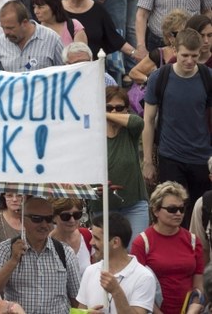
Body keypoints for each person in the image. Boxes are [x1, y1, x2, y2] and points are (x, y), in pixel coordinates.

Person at [142, 28, 212, 216]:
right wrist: (148, 161)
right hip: (170, 157)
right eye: (185, 55)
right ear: (175, 51)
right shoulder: (159, 78)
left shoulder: (207, 77)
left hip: (201, 157)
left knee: (200, 214)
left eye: (194, 56)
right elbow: (147, 121)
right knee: (172, 212)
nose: (190, 61)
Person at [0, 197, 80, 314]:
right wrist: (13, 261)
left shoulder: (65, 252)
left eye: (48, 219)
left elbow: (76, 299)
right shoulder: (5, 249)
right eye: (36, 219)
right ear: (22, 219)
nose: (44, 225)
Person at [131, 181, 204, 314]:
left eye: (182, 209)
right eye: (172, 209)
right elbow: (136, 288)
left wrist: (194, 307)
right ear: (156, 210)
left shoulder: (193, 241)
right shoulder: (142, 243)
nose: (178, 213)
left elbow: (198, 285)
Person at [95, 87, 149, 243]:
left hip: (134, 204)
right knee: (107, 255)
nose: (114, 111)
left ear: (127, 109)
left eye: (119, 108)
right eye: (108, 107)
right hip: (102, 205)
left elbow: (138, 121)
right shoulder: (92, 131)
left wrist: (101, 114)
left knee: (135, 253)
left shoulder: (130, 130)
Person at [76, 213, 156, 313]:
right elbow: (79, 310)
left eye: (96, 238)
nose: (91, 242)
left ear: (115, 242)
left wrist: (116, 291)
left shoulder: (144, 277)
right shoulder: (90, 271)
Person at [61, 0, 137, 62]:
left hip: (94, 65)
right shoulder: (57, 10)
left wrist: (135, 53)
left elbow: (114, 38)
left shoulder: (97, 9)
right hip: (63, 66)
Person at [0, 0, 64, 71]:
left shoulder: (52, 40)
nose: (6, 32)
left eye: (10, 28)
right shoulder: (1, 43)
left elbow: (65, 74)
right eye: (3, 27)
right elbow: (0, 77)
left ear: (24, 23)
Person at [128, 9, 189, 85]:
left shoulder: (194, 53)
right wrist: (150, 81)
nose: (183, 37)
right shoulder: (159, 54)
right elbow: (133, 73)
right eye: (178, 34)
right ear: (168, 36)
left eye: (186, 32)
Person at [49, 198, 92, 277]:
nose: (72, 220)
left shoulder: (88, 237)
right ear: (53, 217)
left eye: (76, 215)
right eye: (65, 216)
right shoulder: (46, 244)